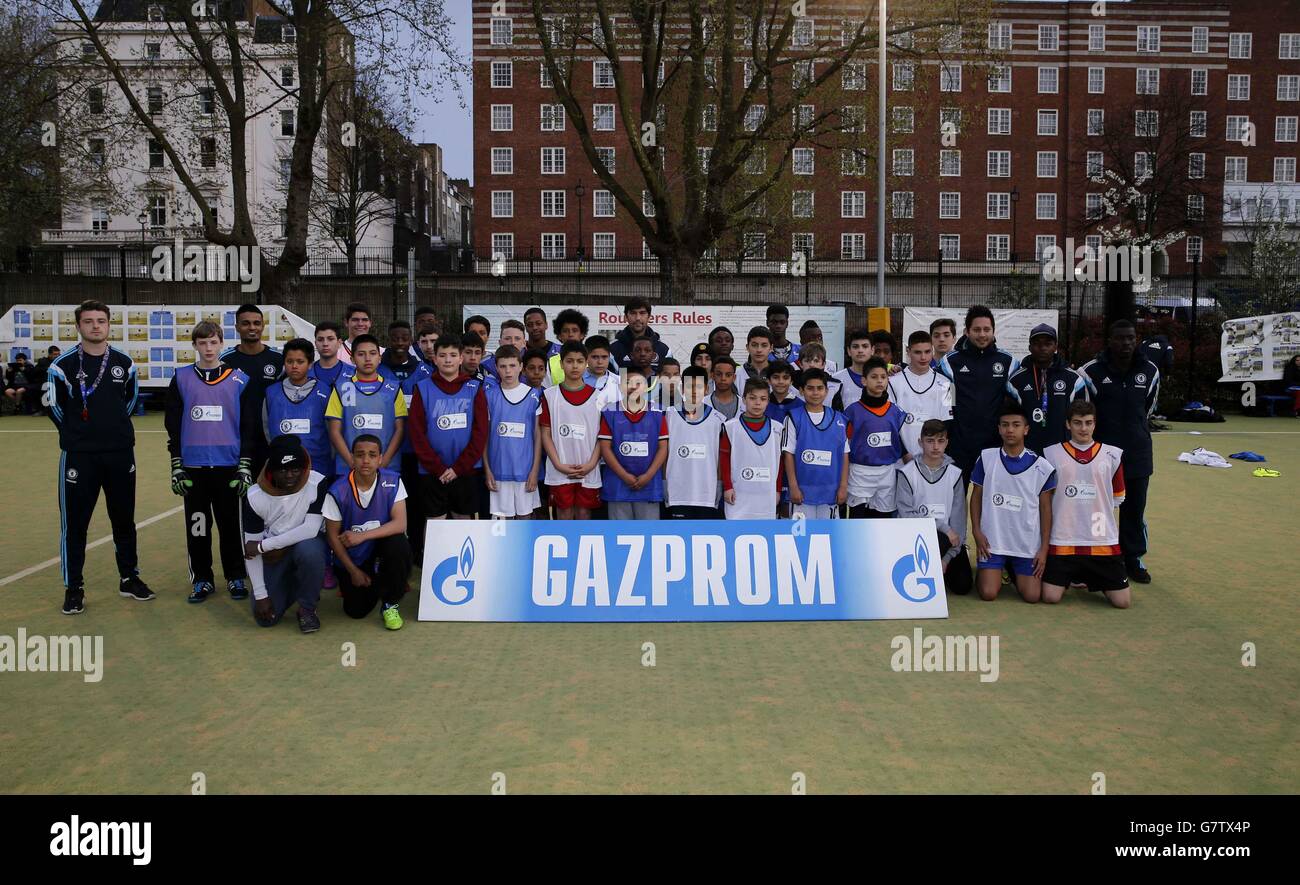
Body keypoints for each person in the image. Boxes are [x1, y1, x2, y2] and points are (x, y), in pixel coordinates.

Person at [45, 300, 152, 614]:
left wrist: (112, 429)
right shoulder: (60, 366)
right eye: (89, 321)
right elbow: (54, 408)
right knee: (76, 525)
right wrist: (79, 434)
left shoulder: (124, 362)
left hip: (119, 452)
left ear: (109, 325)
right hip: (80, 456)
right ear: (78, 325)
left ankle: (129, 578)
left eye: (101, 321)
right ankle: (74, 587)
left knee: (124, 520)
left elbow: (129, 401)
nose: (95, 326)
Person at [166, 320, 259, 603]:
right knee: (197, 526)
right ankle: (202, 579)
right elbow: (173, 424)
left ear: (222, 343)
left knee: (230, 527)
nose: (208, 348)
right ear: (194, 345)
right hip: (193, 469)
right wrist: (177, 465)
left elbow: (248, 426)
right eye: (202, 343)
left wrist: (244, 464)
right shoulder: (181, 378)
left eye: (213, 342)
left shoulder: (239, 379)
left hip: (227, 467)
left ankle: (234, 577)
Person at [1078, 319, 1160, 584]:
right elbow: (1085, 414)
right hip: (1102, 456)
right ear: (1109, 341)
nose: (1126, 343)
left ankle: (1133, 558)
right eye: (1120, 338)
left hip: (1137, 453)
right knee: (1100, 509)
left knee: (1134, 509)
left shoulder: (1150, 371)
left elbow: (1148, 408)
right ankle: (1099, 555)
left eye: (1130, 338)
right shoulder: (1090, 372)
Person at [1041, 401, 1131, 608]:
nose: (1083, 428)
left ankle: (1087, 577)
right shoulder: (1051, 454)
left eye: (1088, 423)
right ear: (1067, 424)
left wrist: (1091, 511)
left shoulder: (1112, 455)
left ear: (1095, 424)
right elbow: (1045, 498)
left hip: (1101, 540)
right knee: (1050, 597)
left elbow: (1118, 497)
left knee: (1122, 602)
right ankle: (1071, 577)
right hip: (1064, 539)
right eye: (1077, 423)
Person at [969, 401, 1057, 603]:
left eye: (1016, 425)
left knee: (1033, 596)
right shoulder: (986, 458)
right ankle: (992, 570)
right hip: (993, 542)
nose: (1010, 430)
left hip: (1025, 544)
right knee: (988, 593)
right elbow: (976, 497)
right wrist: (976, 530)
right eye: (1005, 425)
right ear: (999, 429)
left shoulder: (1041, 467)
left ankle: (1011, 569)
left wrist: (1043, 549)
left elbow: (1045, 509)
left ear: (1026, 429)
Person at [242, 434, 329, 632]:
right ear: (271, 470)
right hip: (275, 557)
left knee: (311, 551)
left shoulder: (317, 483)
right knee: (265, 619)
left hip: (300, 546)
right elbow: (250, 550)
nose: (290, 475)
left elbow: (310, 529)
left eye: (295, 469)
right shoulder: (255, 496)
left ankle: (307, 608)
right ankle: (295, 584)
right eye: (283, 470)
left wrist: (265, 545)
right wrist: (261, 594)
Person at [323, 435, 411, 631]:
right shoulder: (337, 490)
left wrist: (362, 535)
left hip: (380, 549)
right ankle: (377, 584)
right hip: (354, 558)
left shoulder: (392, 481)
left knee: (398, 543)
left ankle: (390, 603)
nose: (366, 460)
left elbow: (400, 524)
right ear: (352, 458)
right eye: (360, 455)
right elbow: (331, 536)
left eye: (372, 455)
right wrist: (353, 571)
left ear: (380, 459)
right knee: (356, 611)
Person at [407, 333, 489, 521]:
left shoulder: (475, 388)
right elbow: (417, 433)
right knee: (435, 521)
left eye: (453, 355)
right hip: (432, 471)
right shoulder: (422, 388)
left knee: (462, 519)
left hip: (465, 469)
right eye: (442, 355)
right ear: (434, 359)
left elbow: (480, 433)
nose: (448, 360)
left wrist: (458, 468)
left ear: (461, 358)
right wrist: (438, 468)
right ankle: (432, 552)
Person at [935, 306, 1018, 478]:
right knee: (958, 499)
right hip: (960, 447)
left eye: (987, 329)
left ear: (994, 331)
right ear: (967, 331)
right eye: (977, 330)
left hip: (995, 446)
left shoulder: (1008, 362)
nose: (982, 334)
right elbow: (944, 405)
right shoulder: (950, 363)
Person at [895, 419, 972, 595]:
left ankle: (937, 567)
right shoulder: (907, 472)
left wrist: (946, 559)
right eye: (930, 441)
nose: (935, 446)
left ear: (947, 442)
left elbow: (959, 521)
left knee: (963, 586)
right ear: (920, 443)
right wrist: (942, 526)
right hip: (916, 537)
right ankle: (921, 570)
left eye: (940, 441)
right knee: (941, 536)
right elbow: (906, 514)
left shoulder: (955, 474)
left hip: (948, 543)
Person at [377, 321, 431, 556]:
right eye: (395, 338)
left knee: (417, 503)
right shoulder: (378, 370)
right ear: (389, 339)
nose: (400, 343)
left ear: (411, 341)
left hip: (416, 451)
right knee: (386, 503)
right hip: (386, 451)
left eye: (404, 338)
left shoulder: (424, 371)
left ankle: (417, 550)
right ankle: (386, 552)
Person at [325, 335, 406, 476]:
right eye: (361, 354)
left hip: (386, 467)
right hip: (349, 468)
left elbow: (400, 429)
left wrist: (383, 462)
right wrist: (352, 462)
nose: (368, 359)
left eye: (373, 353)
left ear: (380, 357)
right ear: (352, 359)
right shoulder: (341, 388)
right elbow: (334, 431)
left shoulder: (393, 388)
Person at [539, 341, 603, 518]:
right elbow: (545, 433)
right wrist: (559, 464)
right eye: (569, 361)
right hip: (560, 469)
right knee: (564, 515)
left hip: (588, 469)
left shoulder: (599, 397)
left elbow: (602, 438)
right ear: (561, 364)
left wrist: (590, 464)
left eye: (579, 361)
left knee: (584, 516)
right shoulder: (550, 396)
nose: (575, 366)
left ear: (586, 363)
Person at [1008, 324, 1087, 456]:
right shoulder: (1016, 381)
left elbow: (1083, 419)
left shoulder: (1074, 380)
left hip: (1063, 453)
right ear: (1029, 347)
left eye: (1048, 343)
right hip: (1026, 453)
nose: (1042, 348)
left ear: (1055, 347)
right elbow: (1008, 419)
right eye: (1037, 344)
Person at [598, 370, 668, 519]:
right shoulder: (609, 411)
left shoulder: (657, 411)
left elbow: (663, 448)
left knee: (648, 536)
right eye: (628, 382)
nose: (633, 387)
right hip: (618, 485)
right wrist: (624, 475)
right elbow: (605, 448)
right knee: (619, 536)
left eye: (638, 383)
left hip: (649, 485)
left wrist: (648, 476)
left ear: (646, 387)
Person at [482, 346, 543, 519]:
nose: (508, 371)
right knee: (502, 523)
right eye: (503, 366)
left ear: (521, 366)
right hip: (498, 471)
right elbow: (484, 437)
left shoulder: (533, 395)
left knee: (525, 518)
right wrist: (488, 470)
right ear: (496, 368)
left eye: (512, 365)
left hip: (525, 471)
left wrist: (534, 471)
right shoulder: (489, 395)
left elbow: (537, 436)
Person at [844, 357, 909, 517]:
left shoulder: (895, 411)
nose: (879, 381)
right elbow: (844, 445)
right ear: (864, 381)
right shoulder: (852, 412)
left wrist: (910, 461)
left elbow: (898, 440)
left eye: (883, 377)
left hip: (886, 471)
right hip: (859, 471)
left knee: (883, 522)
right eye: (874, 377)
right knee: (857, 520)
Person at [262, 338, 333, 484]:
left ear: (310, 364)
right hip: (282, 469)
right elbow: (267, 428)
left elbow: (332, 430)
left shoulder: (325, 391)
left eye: (300, 362)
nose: (294, 366)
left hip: (318, 466)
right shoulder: (271, 393)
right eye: (289, 361)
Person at [782, 368, 849, 520]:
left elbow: (844, 454)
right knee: (800, 538)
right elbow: (788, 454)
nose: (815, 392)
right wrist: (793, 487)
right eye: (810, 388)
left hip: (831, 492)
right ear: (801, 390)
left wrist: (843, 486)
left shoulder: (839, 419)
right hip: (802, 492)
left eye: (820, 388)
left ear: (826, 391)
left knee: (829, 537)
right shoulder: (793, 417)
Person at [664, 365, 726, 518]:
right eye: (689, 386)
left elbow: (721, 456)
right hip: (677, 491)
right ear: (682, 388)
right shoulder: (669, 415)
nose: (693, 391)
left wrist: (719, 482)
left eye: (698, 386)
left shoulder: (718, 419)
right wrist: (664, 480)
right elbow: (664, 453)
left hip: (706, 493)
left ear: (706, 389)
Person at [721, 378, 784, 519]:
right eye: (752, 398)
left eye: (763, 399)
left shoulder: (778, 428)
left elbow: (780, 463)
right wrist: (727, 487)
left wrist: (777, 490)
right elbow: (724, 459)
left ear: (768, 401)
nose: (757, 403)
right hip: (739, 493)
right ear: (743, 399)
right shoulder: (731, 427)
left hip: (767, 494)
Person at [889, 331, 953, 459]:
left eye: (927, 352)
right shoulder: (892, 382)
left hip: (933, 458)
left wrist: (937, 452)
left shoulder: (947, 383)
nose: (923, 357)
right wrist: (904, 454)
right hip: (901, 459)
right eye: (917, 352)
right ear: (908, 351)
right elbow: (889, 423)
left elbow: (948, 423)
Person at [611, 297, 671, 369]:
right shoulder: (613, 349)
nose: (638, 318)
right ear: (626, 317)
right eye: (633, 313)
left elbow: (670, 378)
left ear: (649, 317)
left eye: (642, 313)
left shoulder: (663, 350)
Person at [831, 329, 874, 411]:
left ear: (872, 350)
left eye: (865, 346)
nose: (860, 350)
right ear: (849, 351)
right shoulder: (836, 379)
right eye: (855, 347)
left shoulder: (882, 379)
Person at [544, 309, 590, 386]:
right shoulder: (550, 363)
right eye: (565, 331)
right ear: (559, 335)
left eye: (574, 330)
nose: (570, 334)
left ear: (582, 334)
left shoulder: (592, 360)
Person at [583, 334, 620, 407]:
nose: (600, 362)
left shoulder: (619, 382)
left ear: (609, 357)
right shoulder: (575, 380)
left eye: (604, 357)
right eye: (595, 357)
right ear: (586, 357)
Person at [310, 321, 348, 390]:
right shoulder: (306, 373)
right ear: (315, 343)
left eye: (330, 339)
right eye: (320, 339)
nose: (325, 344)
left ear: (339, 343)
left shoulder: (352, 372)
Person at [734, 326, 773, 390]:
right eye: (754, 345)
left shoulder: (779, 376)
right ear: (747, 347)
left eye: (764, 345)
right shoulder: (736, 374)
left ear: (771, 348)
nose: (759, 350)